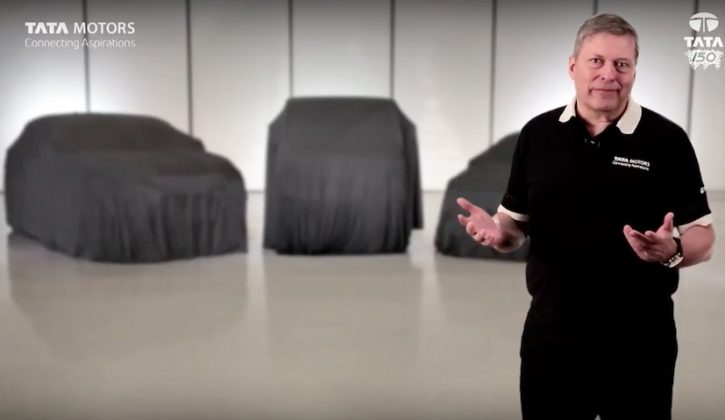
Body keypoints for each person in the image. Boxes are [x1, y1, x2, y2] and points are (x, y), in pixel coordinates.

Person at [456, 13, 715, 420]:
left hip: (641, 342)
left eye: (621, 64)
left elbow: (704, 237)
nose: (609, 74)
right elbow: (515, 226)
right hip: (552, 336)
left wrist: (673, 250)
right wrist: (498, 232)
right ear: (573, 66)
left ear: (634, 71)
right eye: (596, 61)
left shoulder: (667, 140)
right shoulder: (538, 134)